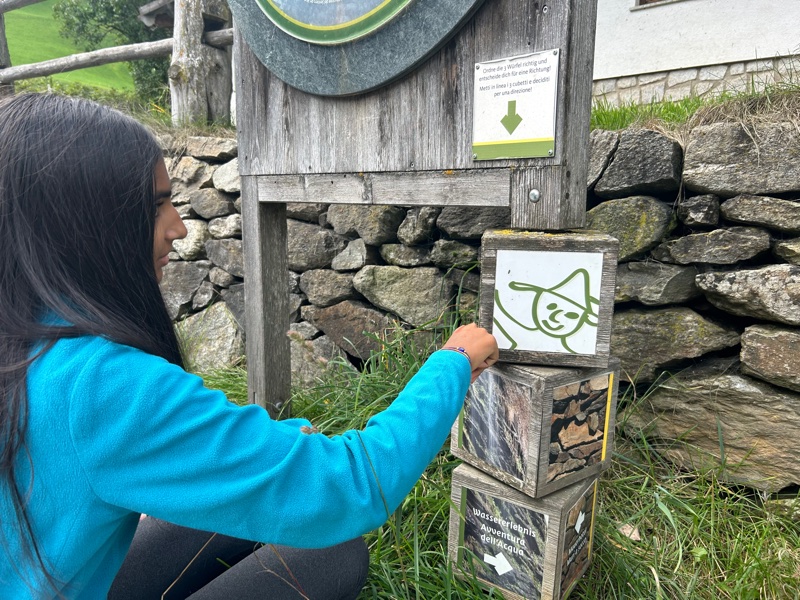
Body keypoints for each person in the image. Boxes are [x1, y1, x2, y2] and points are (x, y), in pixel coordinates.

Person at [0, 93, 499, 599]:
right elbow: (349, 487)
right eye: (156, 206)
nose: (177, 227)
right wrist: (452, 362)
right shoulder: (101, 385)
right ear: (81, 227)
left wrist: (254, 447)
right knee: (332, 552)